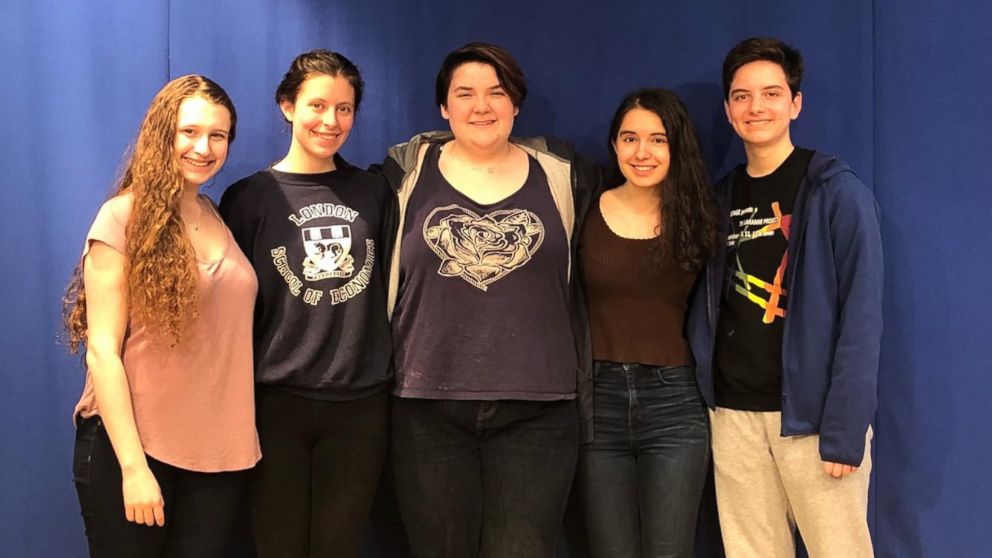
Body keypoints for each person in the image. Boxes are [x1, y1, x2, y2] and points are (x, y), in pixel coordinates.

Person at [380, 42, 599, 558]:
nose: (482, 106)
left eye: (497, 93)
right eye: (466, 93)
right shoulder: (403, 178)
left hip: (539, 411)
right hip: (425, 409)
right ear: (444, 107)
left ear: (516, 104)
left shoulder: (565, 176)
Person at [686, 37, 883, 557]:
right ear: (728, 110)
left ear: (795, 103)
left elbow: (861, 318)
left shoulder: (837, 192)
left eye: (771, 94)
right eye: (742, 96)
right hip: (734, 419)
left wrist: (844, 428)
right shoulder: (719, 198)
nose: (757, 107)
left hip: (813, 423)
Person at [64, 75, 259, 557]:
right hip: (134, 452)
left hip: (217, 460)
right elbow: (102, 352)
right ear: (162, 134)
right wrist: (133, 468)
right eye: (189, 132)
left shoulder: (217, 216)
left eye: (218, 135)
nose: (204, 147)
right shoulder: (121, 218)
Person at [219, 49, 393, 558]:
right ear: (287, 106)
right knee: (278, 544)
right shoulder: (248, 198)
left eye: (344, 108)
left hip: (359, 403)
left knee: (339, 546)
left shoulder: (375, 192)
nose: (331, 121)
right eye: (318, 105)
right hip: (275, 403)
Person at [578, 88, 718, 558]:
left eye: (657, 140)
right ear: (614, 144)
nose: (642, 152)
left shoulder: (699, 216)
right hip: (598, 406)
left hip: (674, 404)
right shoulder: (582, 211)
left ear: (677, 147)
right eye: (630, 138)